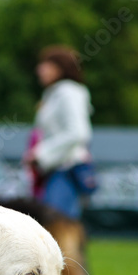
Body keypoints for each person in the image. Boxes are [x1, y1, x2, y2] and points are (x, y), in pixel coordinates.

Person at [25, 46, 93, 220]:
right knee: (56, 229)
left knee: (58, 228)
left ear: (60, 68)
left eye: (45, 65)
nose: (39, 70)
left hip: (65, 169)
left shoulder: (68, 92)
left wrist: (40, 153)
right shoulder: (54, 93)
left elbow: (78, 132)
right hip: (55, 170)